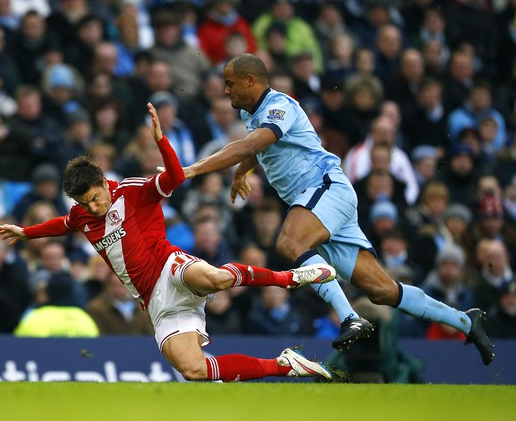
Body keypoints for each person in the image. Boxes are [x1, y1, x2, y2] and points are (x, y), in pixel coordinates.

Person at [182, 53, 494, 365]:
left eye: (229, 83)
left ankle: (349, 318)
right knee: (382, 290)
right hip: (319, 202)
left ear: (250, 81)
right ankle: (466, 321)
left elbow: (252, 144)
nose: (225, 91)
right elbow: (258, 146)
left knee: (290, 243)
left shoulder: (281, 106)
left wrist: (194, 169)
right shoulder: (253, 114)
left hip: (325, 188)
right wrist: (240, 172)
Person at [0, 102, 336, 382]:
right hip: (154, 301)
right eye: (83, 203)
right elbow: (62, 224)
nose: (91, 207)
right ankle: (284, 365)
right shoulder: (82, 215)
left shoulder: (131, 190)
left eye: (94, 198)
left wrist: (162, 141)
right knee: (193, 370)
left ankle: (289, 278)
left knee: (216, 278)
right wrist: (26, 232)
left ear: (104, 182)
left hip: (168, 266)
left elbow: (175, 178)